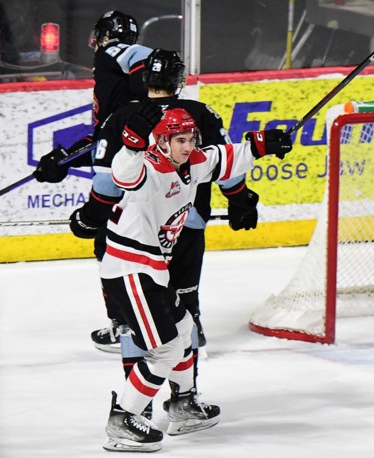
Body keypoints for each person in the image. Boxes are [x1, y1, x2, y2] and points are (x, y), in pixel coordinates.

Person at [71, 49, 260, 411]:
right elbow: (224, 164)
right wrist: (240, 199)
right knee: (182, 315)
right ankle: (181, 399)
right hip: (182, 231)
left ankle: (138, 402)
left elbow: (108, 181)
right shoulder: (199, 115)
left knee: (137, 321)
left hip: (132, 234)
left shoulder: (123, 115)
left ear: (146, 79)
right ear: (181, 79)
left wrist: (90, 217)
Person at [100, 102, 292, 452]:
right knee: (167, 349)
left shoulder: (193, 163)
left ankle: (183, 403)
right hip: (129, 269)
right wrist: (130, 145)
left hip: (152, 269)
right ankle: (122, 418)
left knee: (185, 326)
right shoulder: (151, 168)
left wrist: (263, 145)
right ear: (160, 142)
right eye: (179, 140)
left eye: (191, 138)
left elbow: (226, 157)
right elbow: (125, 175)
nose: (188, 146)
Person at [32, 10, 153, 351]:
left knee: (111, 247)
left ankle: (127, 327)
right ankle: (167, 324)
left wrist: (139, 100)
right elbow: (104, 136)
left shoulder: (111, 55)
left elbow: (145, 58)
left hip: (131, 174)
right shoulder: (120, 92)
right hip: (143, 168)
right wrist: (62, 160)